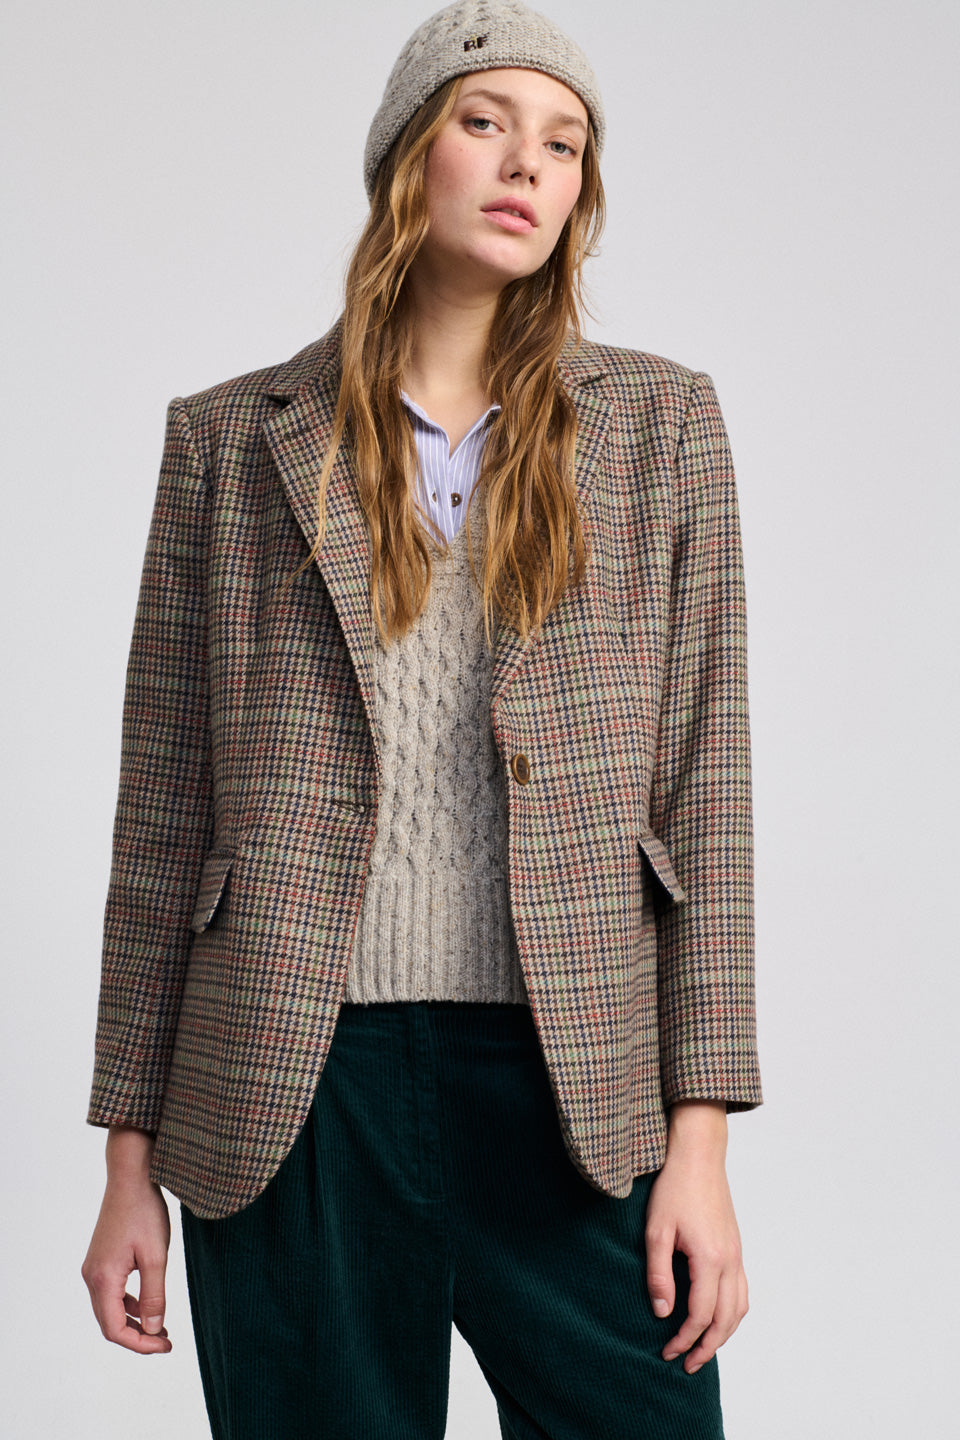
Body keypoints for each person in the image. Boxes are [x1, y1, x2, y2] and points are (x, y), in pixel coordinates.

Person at [81, 2, 763, 1436]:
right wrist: (127, 1160)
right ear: (409, 156)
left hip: (574, 1083)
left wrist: (699, 1147)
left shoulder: (661, 429)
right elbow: (163, 814)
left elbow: (707, 798)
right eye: (486, 122)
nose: (526, 165)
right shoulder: (229, 441)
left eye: (563, 145)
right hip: (292, 1084)